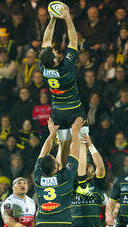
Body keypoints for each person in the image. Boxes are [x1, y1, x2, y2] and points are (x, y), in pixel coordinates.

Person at [39, 5, 86, 147]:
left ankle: (61, 168)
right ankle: (80, 169)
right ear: (54, 60)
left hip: (58, 112)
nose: (55, 50)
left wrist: (52, 19)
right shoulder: (65, 68)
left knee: (62, 148)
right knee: (81, 146)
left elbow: (45, 41)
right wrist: (67, 18)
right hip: (73, 109)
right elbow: (73, 41)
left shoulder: (43, 67)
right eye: (54, 52)